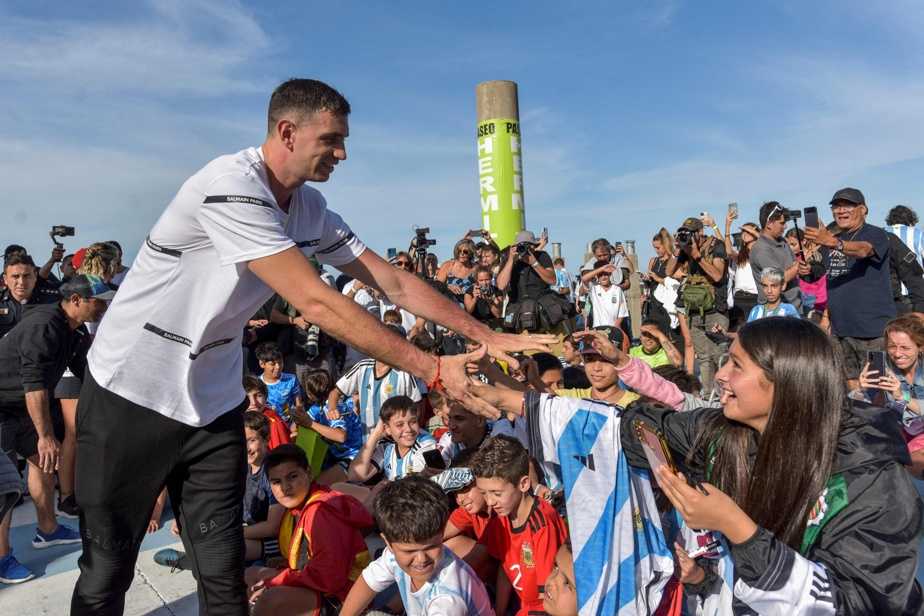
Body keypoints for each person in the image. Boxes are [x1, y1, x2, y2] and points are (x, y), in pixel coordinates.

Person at [70, 78, 550, 614]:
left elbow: (389, 281)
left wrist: (483, 332)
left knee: (222, 570)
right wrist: (432, 368)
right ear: (287, 132)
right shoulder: (231, 186)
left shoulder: (308, 208)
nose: (342, 153)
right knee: (107, 570)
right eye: (332, 140)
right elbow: (316, 302)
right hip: (133, 390)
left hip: (211, 399)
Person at [473, 318, 924, 614]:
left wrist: (737, 527)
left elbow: (857, 603)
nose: (721, 377)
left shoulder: (873, 480)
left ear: (785, 385)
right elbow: (633, 427)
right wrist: (513, 400)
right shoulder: (726, 432)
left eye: (736, 365)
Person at [0, 275, 113, 584]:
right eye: (98, 301)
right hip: (5, 408)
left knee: (45, 464)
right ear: (76, 301)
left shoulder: (73, 333)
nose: (104, 306)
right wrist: (46, 435)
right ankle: (1, 558)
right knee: (5, 486)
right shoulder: (45, 325)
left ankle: (48, 531)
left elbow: (89, 377)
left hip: (20, 408)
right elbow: (33, 383)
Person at [245, 444, 373, 615]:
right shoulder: (294, 509)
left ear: (309, 473)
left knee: (271, 600)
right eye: (276, 482)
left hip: (344, 595)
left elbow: (329, 577)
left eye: (292, 477)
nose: (285, 488)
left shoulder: (322, 511)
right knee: (251, 575)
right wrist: (279, 573)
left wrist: (274, 582)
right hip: (317, 584)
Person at [340, 475, 494, 615]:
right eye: (410, 551)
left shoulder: (448, 601)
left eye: (430, 547)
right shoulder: (395, 553)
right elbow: (368, 582)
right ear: (388, 543)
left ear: (442, 534)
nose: (421, 559)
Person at [805, 187, 896, 389]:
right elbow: (822, 274)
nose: (841, 210)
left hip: (872, 332)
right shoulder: (831, 241)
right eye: (836, 207)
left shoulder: (876, 233)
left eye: (847, 205)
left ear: (863, 209)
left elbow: (864, 250)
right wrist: (806, 270)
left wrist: (833, 242)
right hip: (841, 331)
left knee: (876, 391)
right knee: (848, 388)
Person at [472, 435, 569, 616]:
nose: (490, 502)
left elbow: (548, 597)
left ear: (524, 484)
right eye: (484, 493)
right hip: (522, 604)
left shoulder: (542, 525)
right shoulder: (502, 516)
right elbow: (505, 568)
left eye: (496, 493)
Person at [856, 314, 924, 476]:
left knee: (914, 464)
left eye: (905, 347)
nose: (897, 354)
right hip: (897, 433)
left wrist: (902, 397)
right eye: (892, 346)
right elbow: (870, 412)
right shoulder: (882, 367)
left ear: (920, 347)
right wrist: (862, 390)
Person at [669, 216, 729, 393]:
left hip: (715, 308)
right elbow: (669, 271)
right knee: (703, 357)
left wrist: (697, 256)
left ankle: (725, 393)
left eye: (691, 233)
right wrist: (677, 250)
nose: (689, 236)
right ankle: (709, 395)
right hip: (694, 310)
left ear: (701, 231)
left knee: (719, 355)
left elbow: (718, 276)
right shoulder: (684, 249)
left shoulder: (716, 245)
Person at [329, 333, 423, 441]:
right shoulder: (362, 368)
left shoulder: (404, 373)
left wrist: (408, 430)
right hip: (368, 441)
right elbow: (335, 393)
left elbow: (417, 405)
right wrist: (332, 408)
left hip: (396, 442)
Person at [290, 368, 363, 485]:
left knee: (316, 485)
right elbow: (294, 429)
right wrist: (299, 415)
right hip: (334, 456)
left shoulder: (335, 407)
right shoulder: (316, 408)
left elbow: (341, 436)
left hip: (354, 456)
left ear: (309, 394)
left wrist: (310, 423)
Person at [348, 395, 439, 482]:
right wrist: (375, 435)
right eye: (400, 425)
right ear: (387, 428)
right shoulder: (387, 447)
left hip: (413, 496)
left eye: (413, 422)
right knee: (340, 486)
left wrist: (384, 487)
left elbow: (413, 484)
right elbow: (355, 476)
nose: (408, 429)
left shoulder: (426, 442)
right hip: (394, 495)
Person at [496, 230, 561, 332]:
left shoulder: (541, 256)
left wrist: (534, 263)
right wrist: (511, 260)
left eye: (529, 246)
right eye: (521, 246)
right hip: (519, 313)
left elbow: (552, 280)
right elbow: (501, 285)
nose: (525, 249)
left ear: (534, 246)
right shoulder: (510, 260)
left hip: (540, 312)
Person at [749, 202, 806, 312]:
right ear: (769, 224)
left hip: (795, 308)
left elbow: (794, 269)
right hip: (775, 313)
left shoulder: (783, 241)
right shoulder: (760, 249)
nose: (785, 226)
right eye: (782, 223)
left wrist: (804, 268)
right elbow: (777, 279)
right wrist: (797, 266)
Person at [0, 253, 60, 338]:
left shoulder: (53, 303)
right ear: (5, 279)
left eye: (26, 276)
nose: (21, 282)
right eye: (15, 276)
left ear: (35, 275)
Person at [725, 221, 761, 331]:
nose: (744, 234)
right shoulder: (741, 254)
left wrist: (755, 234)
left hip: (755, 297)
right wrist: (727, 226)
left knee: (754, 331)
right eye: (743, 231)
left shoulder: (762, 251)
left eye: (748, 231)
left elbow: (766, 243)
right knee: (739, 332)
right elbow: (729, 251)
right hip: (739, 297)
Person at [256, 342, 303, 424]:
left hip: (288, 425)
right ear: (262, 364)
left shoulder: (291, 379)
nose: (278, 367)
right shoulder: (256, 383)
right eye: (273, 364)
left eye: (280, 362)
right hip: (267, 426)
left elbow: (298, 405)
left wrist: (296, 423)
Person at [244, 376, 292, 450]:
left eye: (259, 395)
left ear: (266, 397)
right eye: (247, 398)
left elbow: (280, 456)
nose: (253, 402)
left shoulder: (273, 423)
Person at [587, 258, 629, 329]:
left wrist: (615, 327)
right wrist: (602, 268)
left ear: (610, 274)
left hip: (614, 329)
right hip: (598, 329)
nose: (603, 277)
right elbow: (584, 279)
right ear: (596, 276)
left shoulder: (617, 290)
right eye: (600, 275)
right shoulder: (594, 289)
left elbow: (622, 313)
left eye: (605, 274)